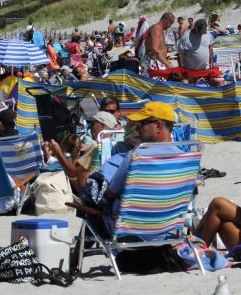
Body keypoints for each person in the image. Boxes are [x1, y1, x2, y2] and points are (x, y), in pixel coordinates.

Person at [75, 101, 180, 237]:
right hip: (168, 229)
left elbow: (109, 195)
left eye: (141, 124)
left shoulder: (135, 156)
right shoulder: (185, 157)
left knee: (90, 203)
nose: (137, 129)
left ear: (158, 126)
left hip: (128, 230)